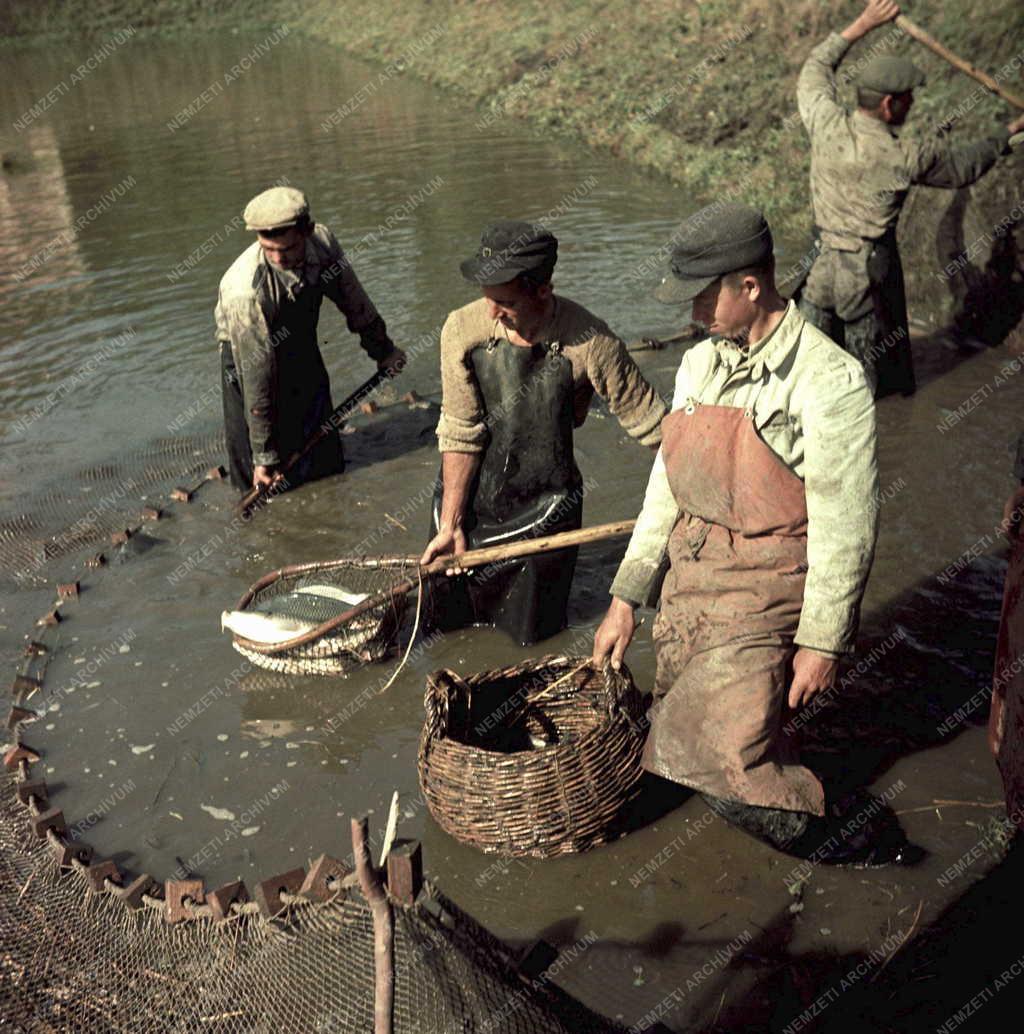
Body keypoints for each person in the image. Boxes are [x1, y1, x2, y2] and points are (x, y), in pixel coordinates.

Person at [593, 202, 907, 864]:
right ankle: (783, 751)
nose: (690, 315)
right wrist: (626, 597)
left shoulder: (831, 381)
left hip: (768, 587)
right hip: (693, 584)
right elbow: (665, 489)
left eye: (702, 298)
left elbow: (846, 526)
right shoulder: (699, 365)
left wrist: (822, 643)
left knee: (726, 770)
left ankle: (875, 849)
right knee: (675, 732)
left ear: (750, 286)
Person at [421, 220, 667, 645]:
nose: (493, 311)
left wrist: (706, 492)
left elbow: (654, 427)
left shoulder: (591, 341)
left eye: (505, 301)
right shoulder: (462, 329)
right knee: (444, 630)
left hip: (547, 514)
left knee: (534, 640)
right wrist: (451, 522)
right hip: (468, 506)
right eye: (488, 297)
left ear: (542, 291)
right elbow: (461, 431)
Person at [796, 0, 1024, 398]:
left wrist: (862, 24)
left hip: (819, 270)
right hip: (864, 276)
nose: (913, 103)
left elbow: (815, 68)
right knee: (864, 382)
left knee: (809, 363)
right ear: (889, 104)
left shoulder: (824, 121)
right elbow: (964, 168)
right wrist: (1008, 132)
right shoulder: (907, 155)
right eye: (908, 98)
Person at [216, 186, 405, 493]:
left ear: (306, 232)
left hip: (299, 341)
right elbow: (257, 376)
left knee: (325, 460)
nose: (279, 258)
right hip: (246, 357)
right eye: (269, 249)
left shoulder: (323, 242)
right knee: (258, 479)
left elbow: (353, 300)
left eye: (288, 249)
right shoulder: (245, 292)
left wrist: (383, 350)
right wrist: (264, 456)